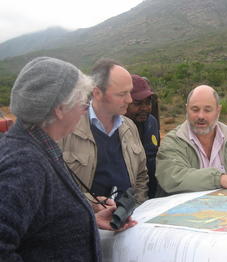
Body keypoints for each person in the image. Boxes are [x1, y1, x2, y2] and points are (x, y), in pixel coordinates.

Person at [0, 57, 135, 261]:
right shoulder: (25, 163)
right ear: (60, 109)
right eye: (82, 101)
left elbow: (43, 227)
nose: (85, 108)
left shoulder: (37, 147)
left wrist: (88, 220)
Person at [60, 59, 149, 207]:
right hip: (88, 223)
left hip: (129, 221)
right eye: (122, 94)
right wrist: (92, 206)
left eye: (130, 92)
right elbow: (55, 189)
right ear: (97, 93)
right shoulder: (67, 130)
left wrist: (137, 207)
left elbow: (141, 175)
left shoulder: (130, 127)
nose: (129, 99)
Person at [125, 74, 160, 198]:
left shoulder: (152, 122)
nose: (145, 108)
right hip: (128, 198)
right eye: (138, 103)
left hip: (152, 194)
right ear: (125, 102)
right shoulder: (117, 129)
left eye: (148, 102)